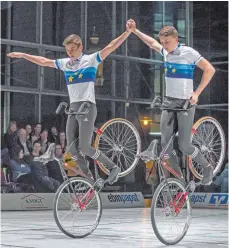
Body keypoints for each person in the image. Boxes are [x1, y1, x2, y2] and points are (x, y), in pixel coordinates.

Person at [7, 26, 132, 184]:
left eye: (73, 49)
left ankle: (113, 167)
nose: (70, 53)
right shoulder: (65, 63)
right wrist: (24, 55)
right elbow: (44, 61)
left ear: (81, 47)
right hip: (73, 107)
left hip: (87, 106)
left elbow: (111, 46)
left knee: (85, 147)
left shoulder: (91, 60)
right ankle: (92, 179)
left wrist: (127, 32)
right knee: (71, 150)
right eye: (67, 50)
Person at [127, 19, 216, 185]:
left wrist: (197, 93)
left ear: (176, 39)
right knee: (165, 148)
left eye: (167, 42)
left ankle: (207, 167)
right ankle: (178, 181)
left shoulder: (188, 52)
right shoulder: (165, 52)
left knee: (184, 145)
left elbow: (210, 69)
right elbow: (152, 43)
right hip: (169, 102)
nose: (164, 45)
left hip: (186, 103)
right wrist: (135, 31)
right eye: (163, 42)